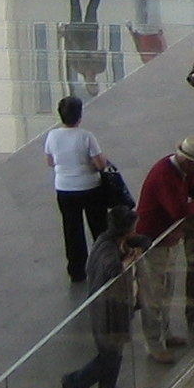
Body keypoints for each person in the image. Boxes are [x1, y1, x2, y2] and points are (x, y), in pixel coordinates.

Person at [134, 139, 194, 360]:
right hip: (154, 241)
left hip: (168, 239)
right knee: (154, 294)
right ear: (187, 161)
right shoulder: (164, 175)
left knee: (167, 289)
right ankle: (154, 344)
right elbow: (178, 209)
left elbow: (193, 185)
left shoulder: (181, 170)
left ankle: (165, 334)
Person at [62, 209, 145, 388]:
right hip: (108, 312)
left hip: (116, 308)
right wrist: (128, 261)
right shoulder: (107, 250)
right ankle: (73, 383)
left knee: (113, 355)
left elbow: (139, 243)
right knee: (109, 357)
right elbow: (113, 270)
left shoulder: (112, 242)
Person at [44, 96, 113, 283]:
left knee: (71, 229)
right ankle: (103, 265)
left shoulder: (52, 136)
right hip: (90, 187)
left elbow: (50, 161)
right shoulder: (86, 136)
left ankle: (76, 269)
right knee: (98, 227)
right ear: (79, 115)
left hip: (64, 188)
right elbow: (99, 163)